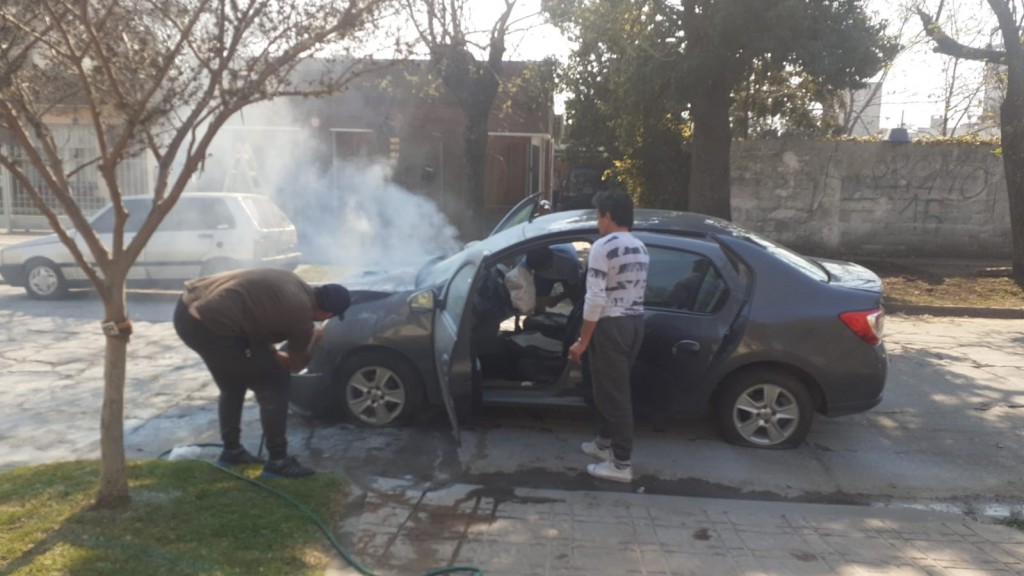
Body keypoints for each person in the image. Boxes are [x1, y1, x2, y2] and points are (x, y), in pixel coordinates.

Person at [173, 268, 350, 478]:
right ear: (327, 314)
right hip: (211, 325)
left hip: (187, 310)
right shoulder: (301, 317)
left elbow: (256, 323)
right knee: (275, 384)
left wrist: (272, 353)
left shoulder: (293, 282)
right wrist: (313, 339)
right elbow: (295, 363)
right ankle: (278, 461)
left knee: (232, 383)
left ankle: (232, 451)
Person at [568, 189, 649, 483]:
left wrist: (583, 341)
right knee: (607, 389)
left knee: (616, 397)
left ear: (608, 216)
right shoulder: (640, 247)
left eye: (598, 215)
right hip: (634, 324)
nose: (597, 222)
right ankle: (604, 444)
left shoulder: (603, 247)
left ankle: (621, 464)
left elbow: (595, 298)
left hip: (611, 326)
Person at [525, 244, 583, 312]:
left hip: (565, 270)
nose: (542, 272)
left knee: (577, 297)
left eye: (542, 270)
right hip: (546, 273)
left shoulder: (569, 261)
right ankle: (539, 315)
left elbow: (573, 287)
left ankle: (578, 314)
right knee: (538, 300)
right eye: (537, 271)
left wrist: (557, 298)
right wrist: (541, 300)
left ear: (549, 262)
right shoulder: (531, 261)